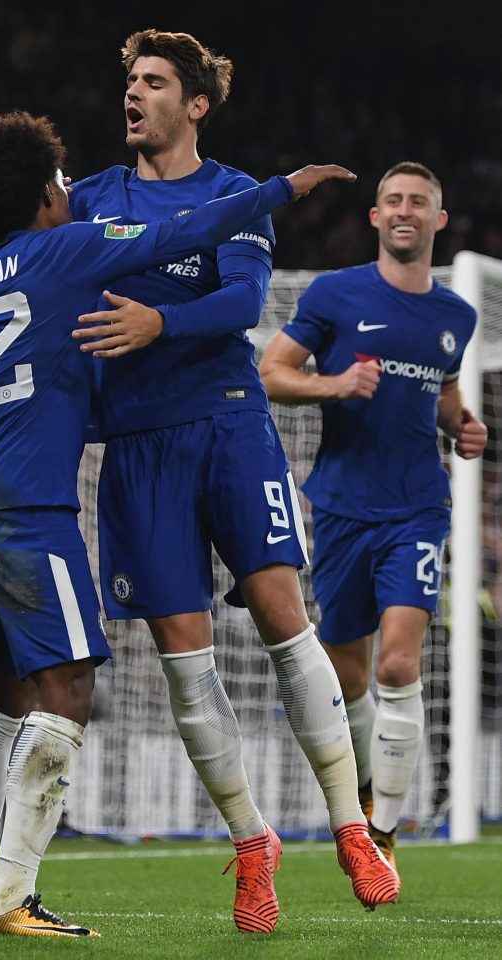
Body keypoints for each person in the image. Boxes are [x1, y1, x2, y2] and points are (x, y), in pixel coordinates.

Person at [0, 31, 398, 930]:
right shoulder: (90, 197)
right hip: (134, 446)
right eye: (129, 79)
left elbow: (243, 305)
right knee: (182, 659)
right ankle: (254, 845)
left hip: (227, 422)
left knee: (285, 613)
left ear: (196, 102)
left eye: (153, 81)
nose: (132, 93)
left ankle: (353, 823)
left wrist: (157, 324)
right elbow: (9, 220)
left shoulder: (228, 191)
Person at [259, 161, 488, 876]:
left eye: (419, 201)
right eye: (393, 199)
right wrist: (335, 383)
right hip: (342, 508)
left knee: (397, 662)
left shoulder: (457, 314)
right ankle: (363, 794)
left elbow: (441, 391)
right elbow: (271, 371)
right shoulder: (335, 295)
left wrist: (464, 424)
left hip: (418, 506)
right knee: (349, 677)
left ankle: (384, 833)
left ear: (437, 221)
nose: (405, 210)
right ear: (375, 217)